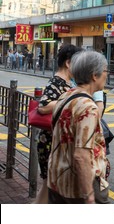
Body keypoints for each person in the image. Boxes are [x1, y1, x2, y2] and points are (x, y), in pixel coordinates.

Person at [47, 50, 110, 204]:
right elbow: (81, 156)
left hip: (57, 178)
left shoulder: (66, 96)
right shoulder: (88, 107)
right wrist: (88, 195)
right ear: (94, 76)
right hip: (78, 185)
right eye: (105, 70)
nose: (107, 74)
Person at [34, 44, 83, 203]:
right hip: (50, 143)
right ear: (68, 63)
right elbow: (43, 107)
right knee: (52, 187)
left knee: (49, 187)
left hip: (57, 142)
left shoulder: (68, 82)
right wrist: (68, 100)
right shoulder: (57, 81)